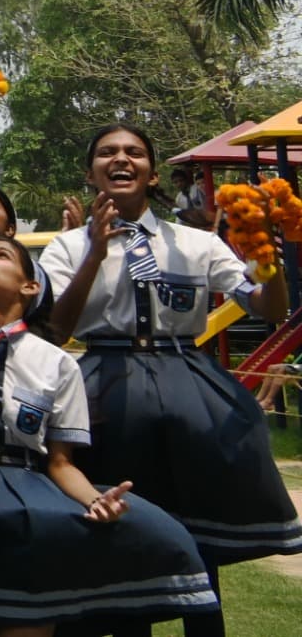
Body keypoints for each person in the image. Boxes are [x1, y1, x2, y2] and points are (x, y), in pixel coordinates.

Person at [0, 123, 218, 636]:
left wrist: (93, 499)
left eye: (2, 254)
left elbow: (60, 461)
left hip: (26, 498)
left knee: (28, 623)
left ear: (30, 287)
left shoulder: (57, 363)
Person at [35, 124, 302, 629]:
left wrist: (267, 257)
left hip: (188, 380)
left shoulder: (198, 243)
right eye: (107, 153)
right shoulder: (65, 247)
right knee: (118, 524)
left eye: (134, 152)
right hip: (103, 387)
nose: (121, 159)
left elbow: (270, 309)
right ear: (91, 173)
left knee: (202, 532)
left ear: (152, 172)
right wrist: (95, 249)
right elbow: (56, 327)